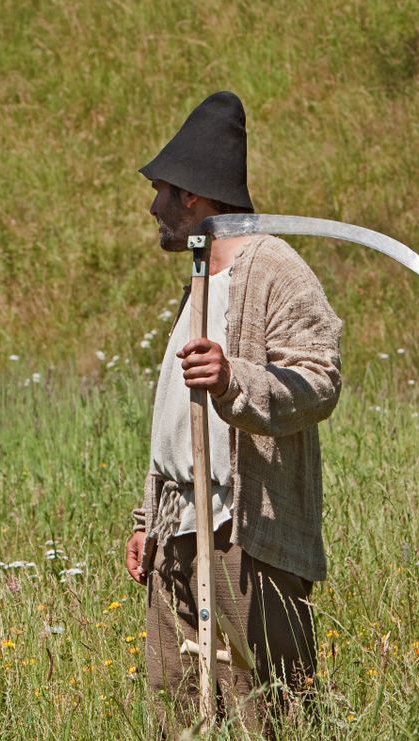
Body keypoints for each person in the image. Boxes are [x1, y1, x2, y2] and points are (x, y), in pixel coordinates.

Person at [123, 92, 343, 736]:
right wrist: (147, 520)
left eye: (161, 192)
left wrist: (234, 379)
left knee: (268, 713)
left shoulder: (274, 269)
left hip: (247, 535)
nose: (153, 208)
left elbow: (318, 381)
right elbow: (177, 422)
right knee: (176, 713)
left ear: (193, 196)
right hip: (179, 532)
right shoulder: (198, 277)